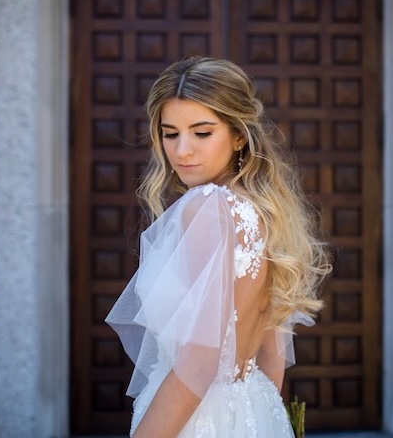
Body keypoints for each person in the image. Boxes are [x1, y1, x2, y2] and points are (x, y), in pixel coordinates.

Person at [106, 56, 332, 438]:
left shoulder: (206, 207)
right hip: (256, 407)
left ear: (239, 134)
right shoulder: (267, 213)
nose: (182, 151)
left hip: (199, 419)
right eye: (170, 133)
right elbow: (273, 357)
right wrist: (254, 418)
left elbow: (197, 362)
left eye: (202, 132)